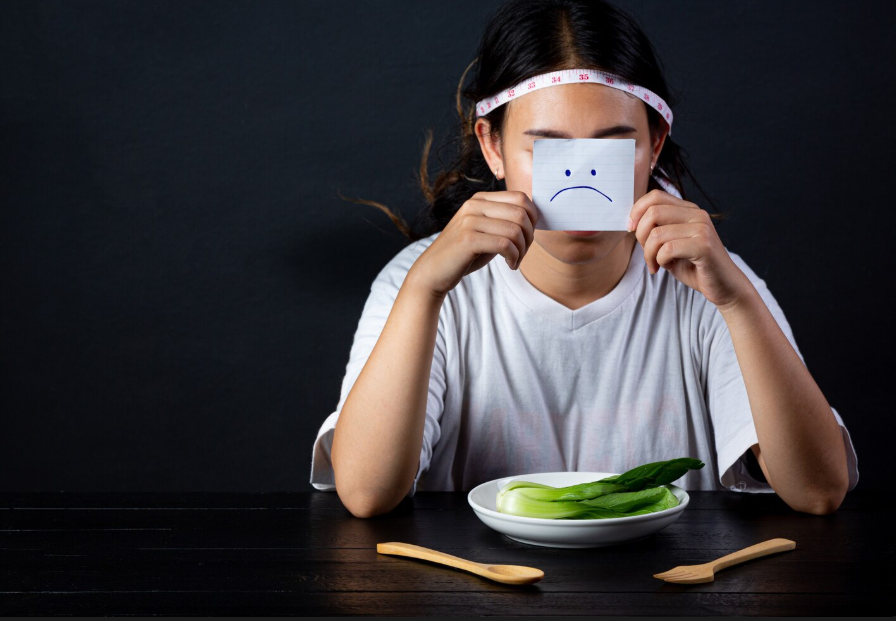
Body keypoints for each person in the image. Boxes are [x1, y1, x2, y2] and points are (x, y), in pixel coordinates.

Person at [309, 0, 859, 518]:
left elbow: (818, 491)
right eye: (547, 146)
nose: (581, 179)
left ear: (655, 143)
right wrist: (425, 290)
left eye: (613, 145)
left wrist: (738, 301)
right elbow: (365, 492)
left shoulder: (717, 284)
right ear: (493, 146)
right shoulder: (417, 281)